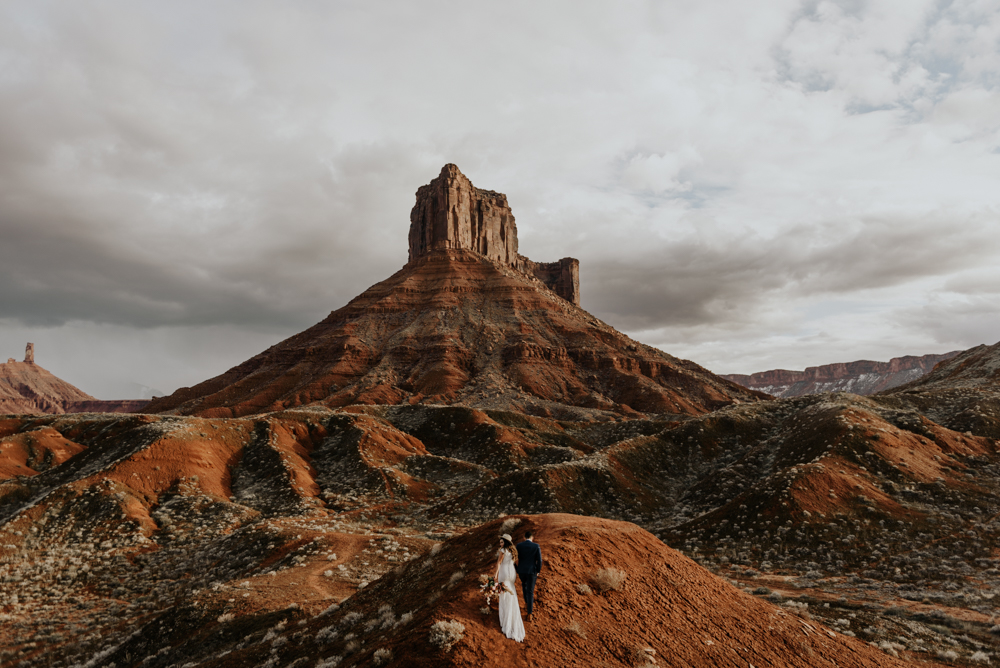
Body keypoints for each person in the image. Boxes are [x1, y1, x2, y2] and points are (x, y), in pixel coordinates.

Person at [494, 533, 525, 642]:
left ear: (505, 542)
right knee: (511, 593)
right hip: (512, 574)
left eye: (502, 542)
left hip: (504, 573)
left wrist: (495, 575)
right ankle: (512, 616)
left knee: (505, 594)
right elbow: (515, 563)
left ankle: (506, 619)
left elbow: (499, 563)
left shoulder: (503, 550)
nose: (500, 544)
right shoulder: (513, 551)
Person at [515, 529, 543, 618]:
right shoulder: (536, 546)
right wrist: (538, 571)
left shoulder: (519, 546)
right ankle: (529, 613)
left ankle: (527, 603)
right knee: (530, 591)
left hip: (522, 571)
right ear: (532, 538)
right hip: (532, 571)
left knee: (524, 585)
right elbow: (540, 560)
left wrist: (517, 568)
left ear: (524, 537)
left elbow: (514, 558)